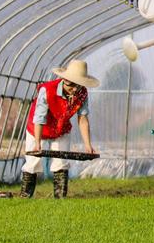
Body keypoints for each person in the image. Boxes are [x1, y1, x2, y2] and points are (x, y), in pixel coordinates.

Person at [20, 59, 99, 199]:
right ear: (64, 79)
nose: (75, 90)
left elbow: (83, 119)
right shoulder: (47, 90)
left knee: (61, 162)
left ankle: (60, 198)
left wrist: (88, 145)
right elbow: (39, 118)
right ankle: (25, 196)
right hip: (38, 128)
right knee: (33, 162)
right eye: (72, 85)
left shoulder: (82, 94)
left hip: (61, 129)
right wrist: (38, 143)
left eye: (79, 86)